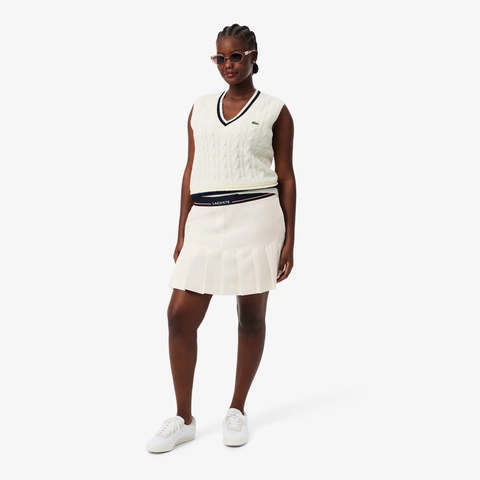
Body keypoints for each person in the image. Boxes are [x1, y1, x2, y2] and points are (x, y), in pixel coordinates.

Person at [147, 23, 296, 453]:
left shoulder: (275, 110)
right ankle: (183, 417)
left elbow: (286, 177)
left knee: (250, 316)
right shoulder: (198, 107)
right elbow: (190, 171)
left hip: (257, 218)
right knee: (179, 315)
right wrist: (182, 230)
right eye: (220, 58)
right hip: (206, 220)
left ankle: (237, 408)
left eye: (236, 56)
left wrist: (290, 239)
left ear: (253, 57)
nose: (227, 64)